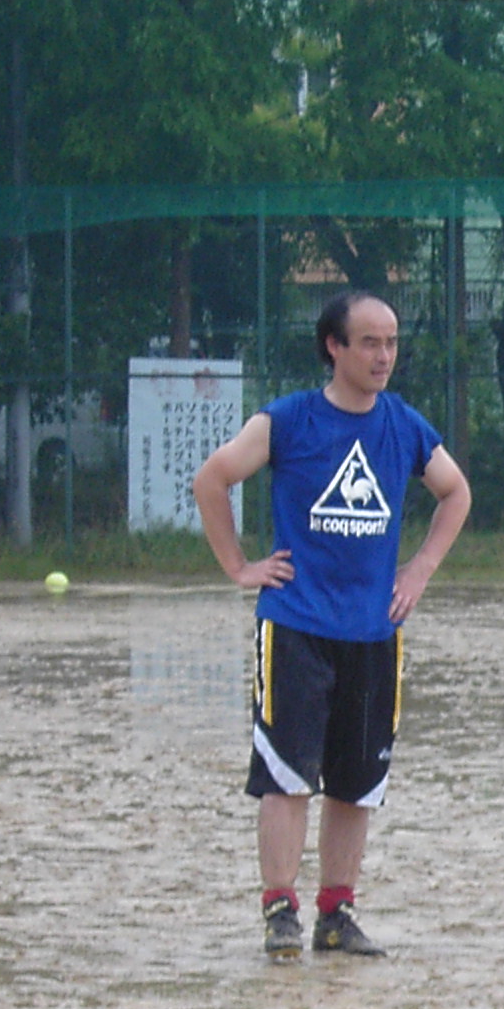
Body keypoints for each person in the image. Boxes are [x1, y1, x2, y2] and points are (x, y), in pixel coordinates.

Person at [194, 291, 471, 961]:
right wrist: (238, 565)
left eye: (393, 343)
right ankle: (280, 910)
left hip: (374, 636)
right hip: (296, 628)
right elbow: (213, 477)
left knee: (357, 782)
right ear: (334, 347)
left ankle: (336, 914)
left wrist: (419, 570)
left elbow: (456, 492)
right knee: (287, 775)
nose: (384, 356)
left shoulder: (403, 426)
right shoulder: (288, 420)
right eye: (370, 342)